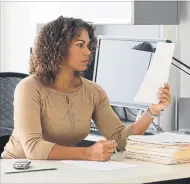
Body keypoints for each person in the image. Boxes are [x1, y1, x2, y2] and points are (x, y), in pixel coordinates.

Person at [1, 16, 171, 161]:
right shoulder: (29, 88)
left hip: (58, 170)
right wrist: (88, 153)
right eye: (80, 45)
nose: (88, 52)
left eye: (89, 45)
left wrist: (152, 111)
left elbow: (120, 140)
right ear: (58, 47)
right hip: (17, 171)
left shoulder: (93, 92)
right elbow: (33, 148)